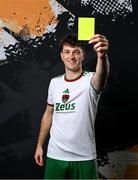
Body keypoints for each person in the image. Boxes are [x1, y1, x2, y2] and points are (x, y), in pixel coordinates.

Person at [34, 33, 110, 179]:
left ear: (83, 56)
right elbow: (48, 113)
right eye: (67, 52)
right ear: (61, 56)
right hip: (55, 154)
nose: (71, 56)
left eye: (76, 52)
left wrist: (102, 56)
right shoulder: (54, 83)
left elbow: (102, 76)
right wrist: (39, 145)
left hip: (84, 157)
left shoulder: (90, 81)